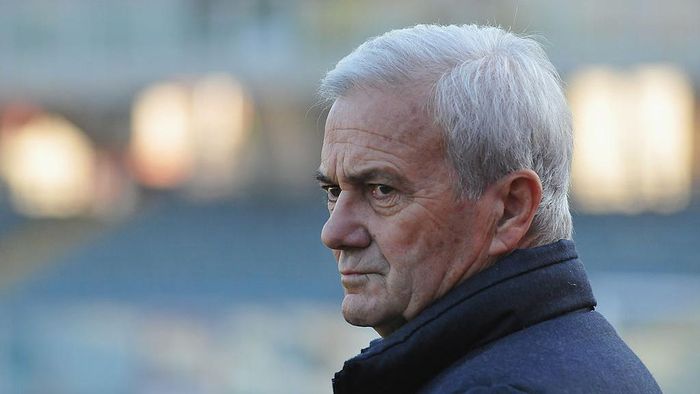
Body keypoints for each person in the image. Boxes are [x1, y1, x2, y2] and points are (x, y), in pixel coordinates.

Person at [315, 24, 661, 393]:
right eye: (334, 191)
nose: (334, 233)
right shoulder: (581, 362)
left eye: (382, 190)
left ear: (511, 209)